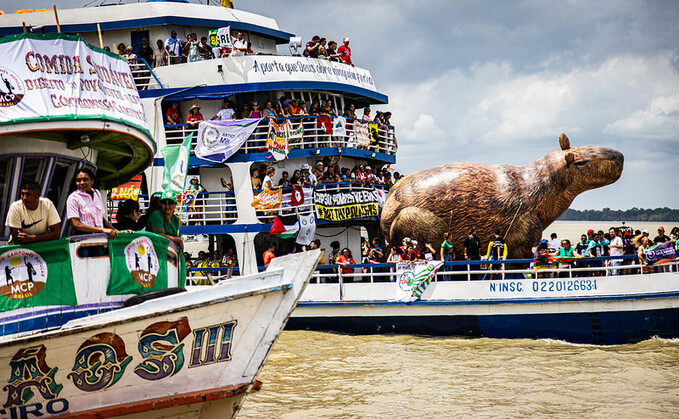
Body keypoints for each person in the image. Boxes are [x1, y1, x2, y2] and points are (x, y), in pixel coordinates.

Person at [67, 168, 120, 240]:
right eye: (78, 180)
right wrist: (102, 230)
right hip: (83, 239)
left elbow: (100, 218)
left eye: (85, 179)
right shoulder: (73, 197)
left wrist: (116, 231)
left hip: (99, 238)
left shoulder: (97, 193)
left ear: (92, 181)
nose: (82, 183)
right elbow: (76, 224)